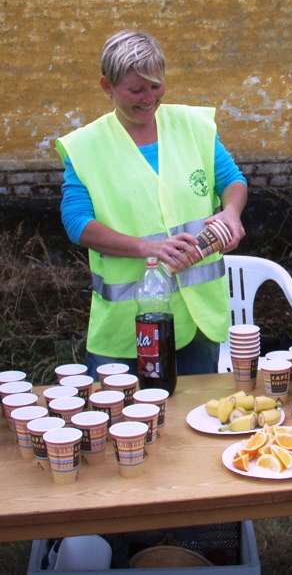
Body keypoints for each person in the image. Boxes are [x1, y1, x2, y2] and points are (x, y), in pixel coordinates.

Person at [57, 30, 248, 379]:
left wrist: (231, 213)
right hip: (125, 330)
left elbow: (231, 180)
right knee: (123, 426)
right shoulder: (87, 147)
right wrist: (150, 248)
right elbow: (76, 222)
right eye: (136, 90)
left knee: (193, 422)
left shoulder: (193, 126)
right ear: (107, 87)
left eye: (156, 86)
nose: (149, 99)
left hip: (197, 319)